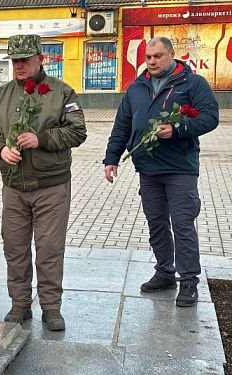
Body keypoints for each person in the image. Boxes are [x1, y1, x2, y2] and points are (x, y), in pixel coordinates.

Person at [0, 34, 87, 331]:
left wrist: (43, 139)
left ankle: (51, 308)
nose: (19, 66)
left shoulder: (62, 93)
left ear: (41, 59)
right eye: (15, 60)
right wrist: (0, 149)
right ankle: (20, 305)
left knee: (49, 249)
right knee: (15, 248)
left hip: (51, 186)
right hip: (14, 187)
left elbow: (77, 132)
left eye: (25, 60)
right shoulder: (1, 96)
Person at [104, 36, 219, 307]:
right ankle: (165, 272)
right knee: (156, 224)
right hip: (148, 169)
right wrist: (112, 159)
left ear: (171, 55)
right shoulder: (137, 87)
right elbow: (122, 125)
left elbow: (211, 117)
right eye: (148, 57)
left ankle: (189, 280)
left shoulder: (192, 83)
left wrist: (179, 129)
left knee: (182, 224)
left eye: (158, 56)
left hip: (180, 169)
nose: (152, 61)